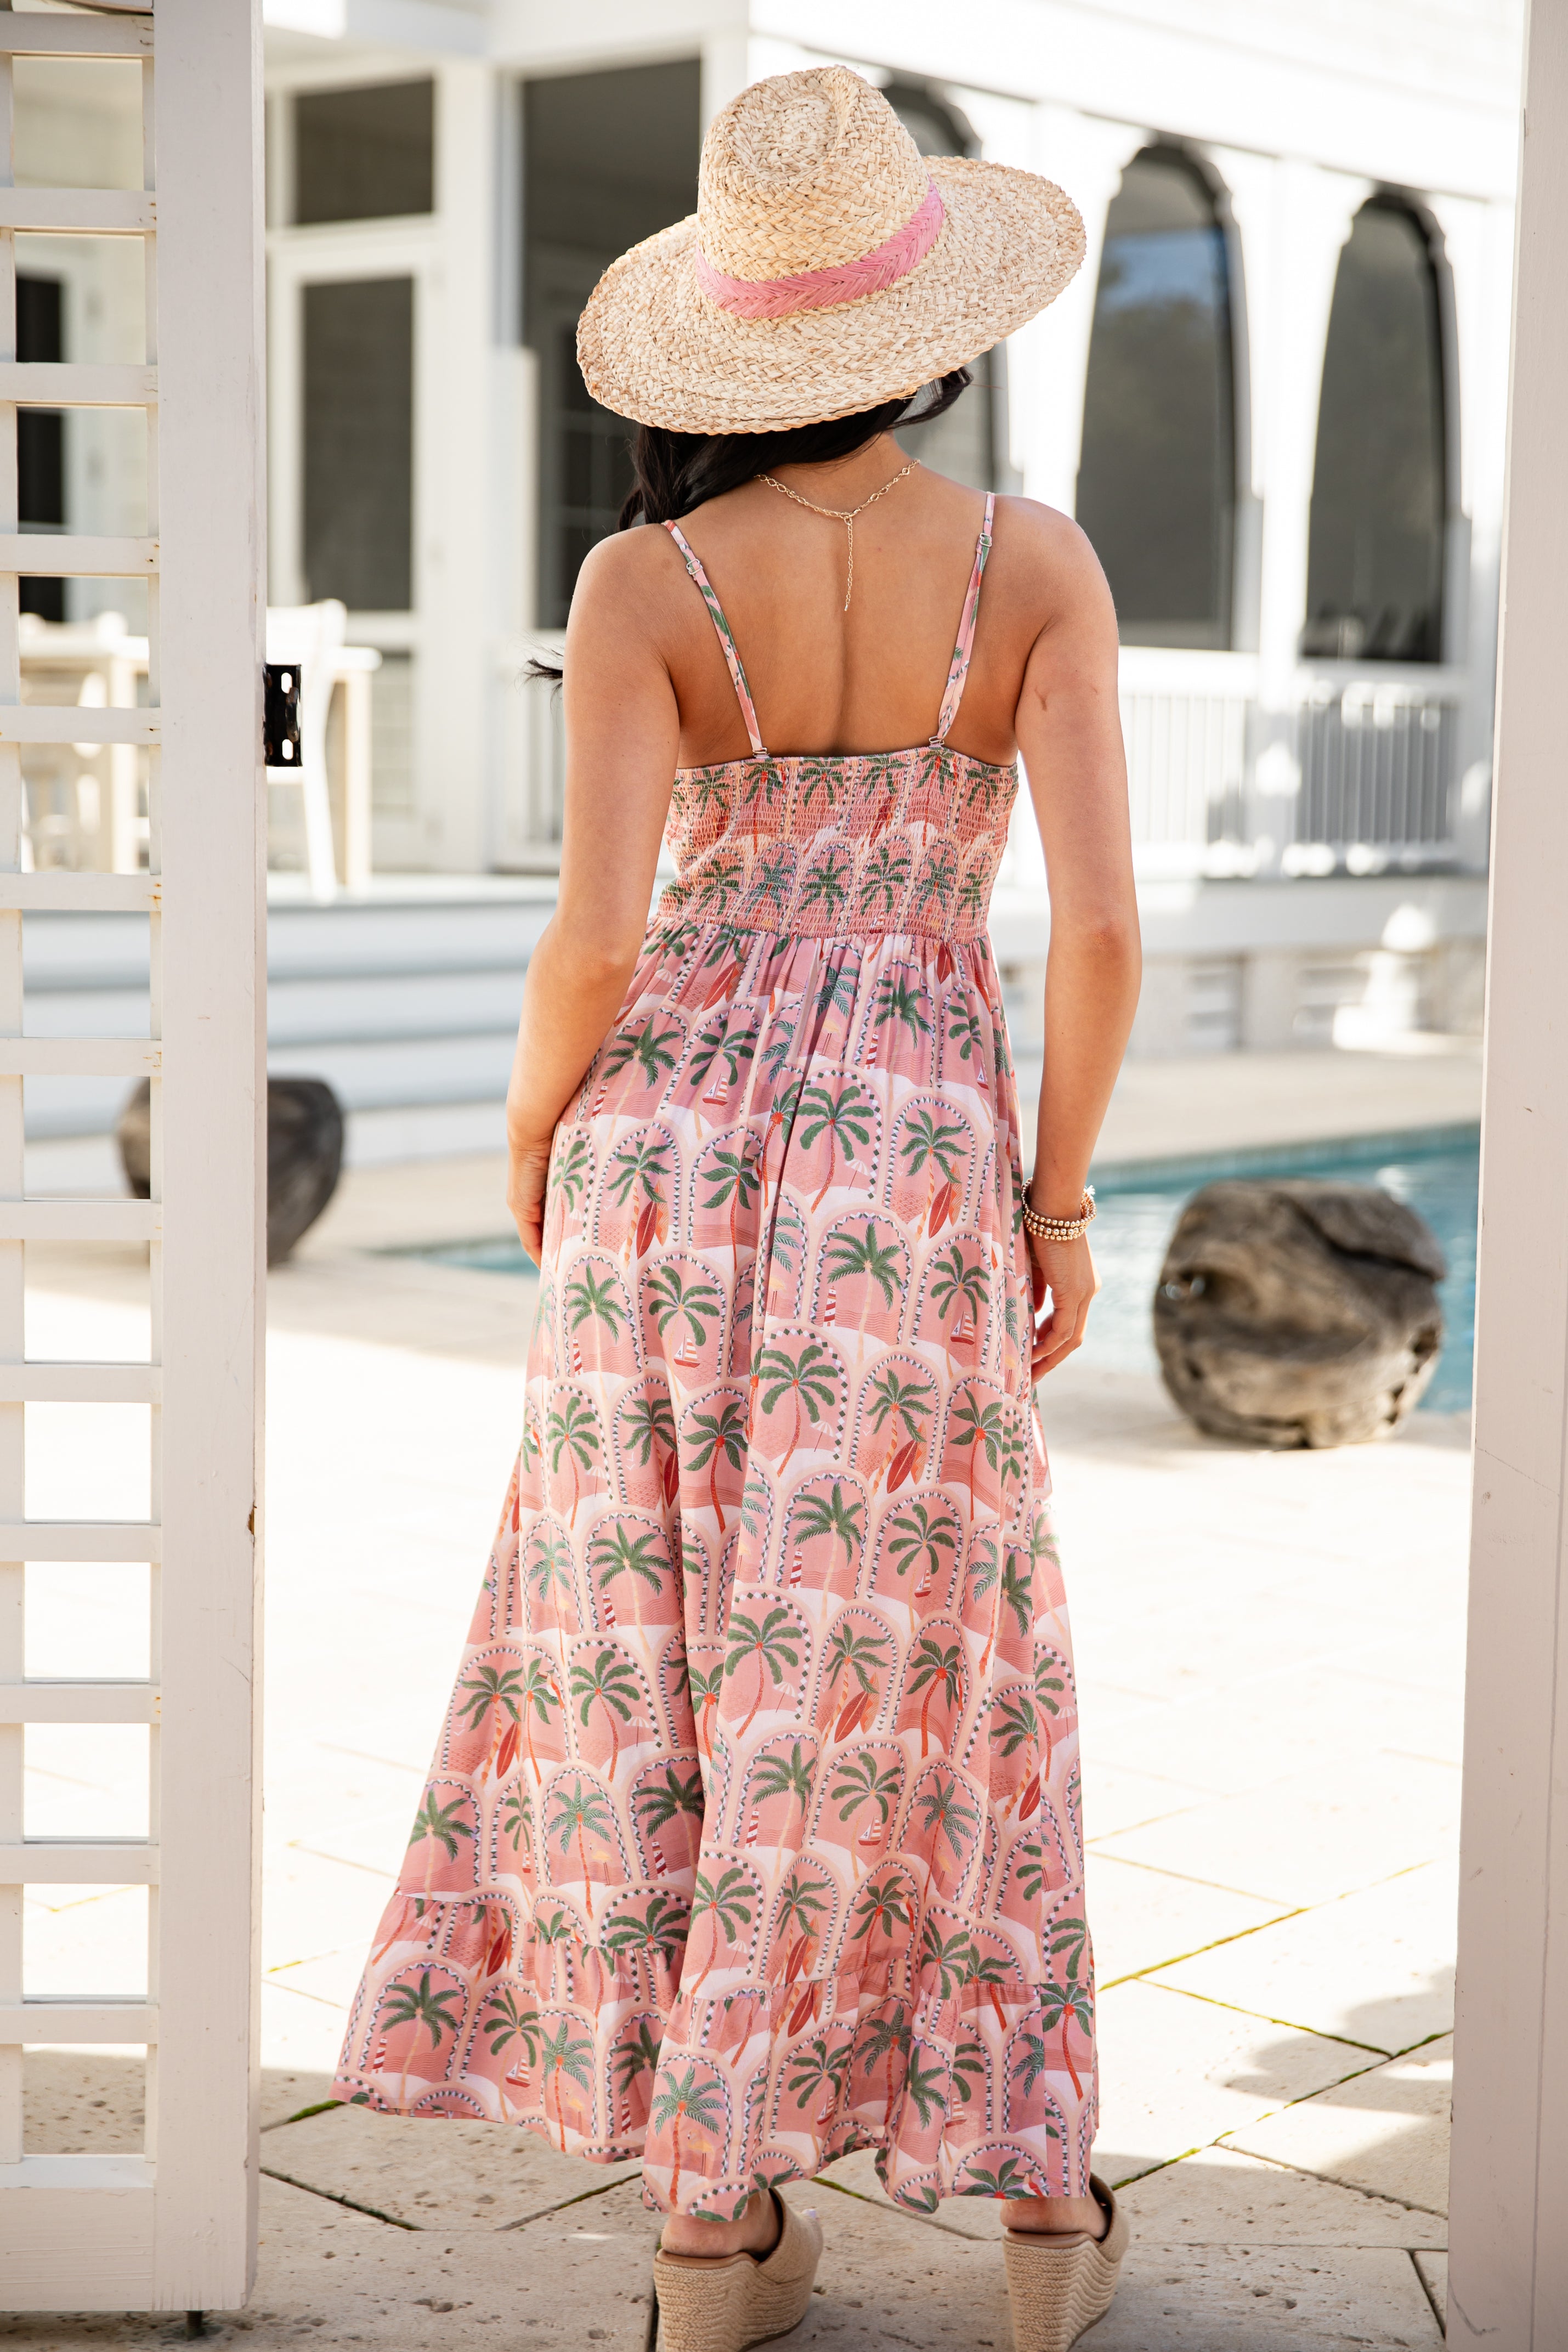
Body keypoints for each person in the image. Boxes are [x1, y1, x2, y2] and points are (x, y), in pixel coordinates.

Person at [332, 66, 1140, 2352]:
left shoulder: (646, 581)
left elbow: (593, 935)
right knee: (924, 1656)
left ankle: (708, 2235)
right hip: (905, 1146)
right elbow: (1093, 933)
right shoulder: (1037, 562)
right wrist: (1057, 1193)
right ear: (927, 326)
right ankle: (1038, 2205)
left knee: (658, 1648)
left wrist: (531, 1130)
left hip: (666, 1150)